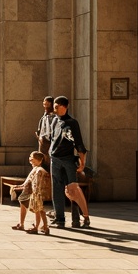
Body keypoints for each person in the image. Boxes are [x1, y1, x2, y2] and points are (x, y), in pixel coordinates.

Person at [48, 96, 90, 228]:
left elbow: (79, 144)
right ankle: (59, 218)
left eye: (56, 106)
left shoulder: (72, 123)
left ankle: (77, 219)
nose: (53, 109)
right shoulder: (54, 120)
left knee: (72, 190)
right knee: (57, 189)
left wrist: (82, 163)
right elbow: (52, 138)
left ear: (64, 107)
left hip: (68, 160)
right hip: (54, 160)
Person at [11, 150, 51, 234]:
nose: (30, 159)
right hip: (30, 192)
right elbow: (28, 180)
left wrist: (35, 193)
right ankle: (41, 226)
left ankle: (38, 227)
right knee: (36, 209)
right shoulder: (35, 168)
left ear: (38, 160)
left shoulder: (39, 170)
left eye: (32, 158)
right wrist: (20, 186)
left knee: (38, 210)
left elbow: (37, 183)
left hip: (34, 193)